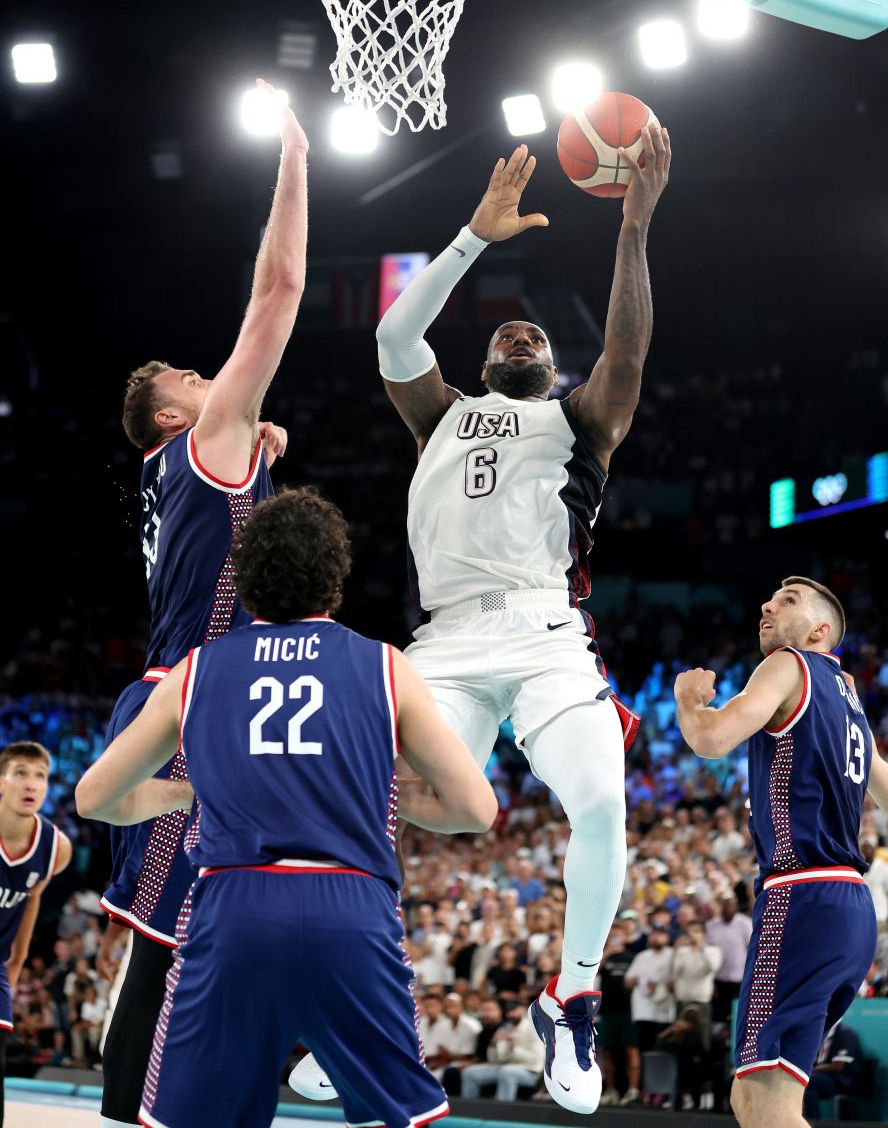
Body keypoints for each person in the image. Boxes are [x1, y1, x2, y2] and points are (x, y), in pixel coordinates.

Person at [368, 131, 668, 1117]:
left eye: (538, 339)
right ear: (487, 355)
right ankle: (366, 995)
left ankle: (572, 992)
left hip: (546, 636)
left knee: (602, 800)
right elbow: (393, 342)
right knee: (383, 806)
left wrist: (635, 224)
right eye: (510, 335)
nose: (523, 338)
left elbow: (626, 348)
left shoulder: (582, 422)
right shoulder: (439, 413)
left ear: (554, 366)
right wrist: (470, 239)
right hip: (445, 644)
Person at [76, 487, 497, 1128]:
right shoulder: (386, 666)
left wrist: (193, 791)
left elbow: (96, 798)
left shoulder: (196, 671)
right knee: (400, 1117)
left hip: (233, 908)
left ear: (246, 581)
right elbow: (474, 808)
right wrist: (382, 795)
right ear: (336, 575)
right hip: (352, 908)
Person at [99, 81, 309, 1128]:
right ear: (175, 411)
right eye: (195, 374)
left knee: (240, 904)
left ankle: (303, 1036)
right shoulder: (199, 441)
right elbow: (277, 290)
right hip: (194, 704)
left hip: (206, 698)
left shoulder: (186, 469)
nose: (210, 375)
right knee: (174, 934)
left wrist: (261, 454)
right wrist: (295, 151)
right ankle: (133, 1111)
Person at [674, 576, 888, 1128]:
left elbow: (712, 739)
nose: (767, 604)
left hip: (800, 898)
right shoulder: (847, 694)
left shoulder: (790, 664)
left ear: (819, 631)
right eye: (769, 599)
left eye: (788, 601)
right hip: (851, 910)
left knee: (762, 1102)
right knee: (764, 1100)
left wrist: (689, 700)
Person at [0, 742, 73, 1125]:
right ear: (1, 781)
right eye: (20, 773)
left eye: (40, 776)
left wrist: (16, 962)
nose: (31, 784)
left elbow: (31, 903)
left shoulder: (55, 848)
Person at [461, 1000, 544, 1101]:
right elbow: (496, 1060)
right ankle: (471, 1111)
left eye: (513, 1010)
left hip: (531, 1071)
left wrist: (513, 1048)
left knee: (506, 1072)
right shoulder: (506, 1028)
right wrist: (493, 1044)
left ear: (522, 1010)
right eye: (508, 1011)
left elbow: (536, 1060)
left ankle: (501, 1112)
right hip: (506, 1067)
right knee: (469, 1073)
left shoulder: (533, 1028)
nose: (510, 1014)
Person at [597, 922, 641, 1107]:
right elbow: (594, 971)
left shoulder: (632, 957)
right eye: (611, 934)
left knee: (631, 1050)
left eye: (618, 934)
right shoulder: (602, 957)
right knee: (607, 1052)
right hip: (607, 1010)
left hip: (629, 1010)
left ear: (625, 936)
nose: (615, 937)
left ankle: (632, 1090)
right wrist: (607, 952)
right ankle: (611, 1090)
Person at [624, 925, 675, 1052]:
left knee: (664, 1049)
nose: (656, 938)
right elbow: (628, 982)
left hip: (664, 1011)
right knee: (644, 1050)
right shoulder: (641, 956)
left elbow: (676, 983)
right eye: (654, 934)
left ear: (667, 937)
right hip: (643, 1012)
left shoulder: (673, 955)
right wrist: (639, 981)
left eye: (660, 934)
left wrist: (657, 985)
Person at [802, 1020, 865, 1120]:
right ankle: (808, 1121)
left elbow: (838, 1067)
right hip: (823, 1078)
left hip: (843, 1080)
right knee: (804, 1084)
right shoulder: (820, 1034)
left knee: (809, 1080)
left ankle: (812, 1121)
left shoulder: (846, 1034)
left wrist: (811, 1070)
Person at [705, 892, 752, 1023]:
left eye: (731, 905)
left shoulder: (745, 924)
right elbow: (708, 952)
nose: (728, 909)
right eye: (725, 905)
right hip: (718, 979)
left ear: (736, 906)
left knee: (738, 1016)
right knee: (718, 1016)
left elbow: (751, 949)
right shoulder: (711, 926)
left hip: (739, 980)